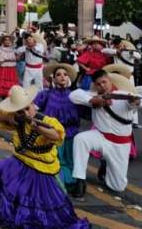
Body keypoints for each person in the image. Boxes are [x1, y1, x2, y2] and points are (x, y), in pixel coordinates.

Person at [0, 85, 89, 229]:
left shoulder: (48, 120)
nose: (26, 112)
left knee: (41, 204)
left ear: (34, 106)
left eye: (27, 108)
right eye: (21, 110)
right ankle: (2, 211)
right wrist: (12, 117)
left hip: (42, 168)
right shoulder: (18, 120)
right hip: (20, 161)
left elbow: (57, 135)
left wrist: (38, 128)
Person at [70, 70, 142, 197]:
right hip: (101, 137)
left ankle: (105, 165)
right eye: (98, 84)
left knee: (117, 187)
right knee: (80, 139)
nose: (102, 86)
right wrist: (95, 100)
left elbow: (140, 101)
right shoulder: (93, 95)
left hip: (120, 144)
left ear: (110, 81)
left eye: (104, 82)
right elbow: (73, 95)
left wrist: (135, 102)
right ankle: (80, 180)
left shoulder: (123, 94)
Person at [38, 63, 81, 192]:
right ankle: (58, 183)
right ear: (54, 79)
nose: (62, 77)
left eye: (65, 74)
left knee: (70, 159)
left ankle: (72, 182)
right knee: (57, 159)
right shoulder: (46, 94)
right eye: (58, 75)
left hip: (71, 133)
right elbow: (32, 109)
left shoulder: (75, 95)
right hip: (53, 134)